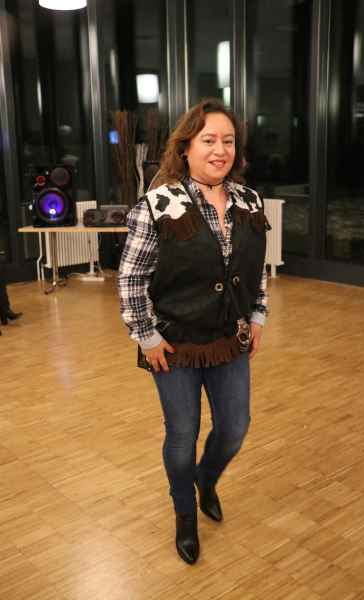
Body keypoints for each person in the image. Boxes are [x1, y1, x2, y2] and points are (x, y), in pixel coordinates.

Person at [118, 98, 269, 565]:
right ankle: (185, 512)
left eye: (228, 141)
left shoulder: (249, 200)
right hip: (174, 344)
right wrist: (146, 336)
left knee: (235, 429)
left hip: (229, 339)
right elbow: (131, 279)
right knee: (182, 436)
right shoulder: (157, 205)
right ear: (185, 147)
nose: (220, 150)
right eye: (208, 140)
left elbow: (256, 268)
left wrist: (257, 315)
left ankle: (207, 478)